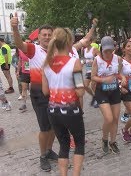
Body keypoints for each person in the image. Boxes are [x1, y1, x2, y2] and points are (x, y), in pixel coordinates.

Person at [11, 12, 94, 171]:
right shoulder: (34, 49)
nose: (47, 37)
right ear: (39, 37)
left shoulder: (52, 58)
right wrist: (15, 28)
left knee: (55, 130)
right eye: (44, 35)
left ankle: (49, 151)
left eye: (50, 34)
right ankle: (43, 155)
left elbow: (80, 44)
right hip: (44, 95)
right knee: (45, 128)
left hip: (52, 99)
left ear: (55, 38)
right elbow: (19, 44)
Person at [42, 27, 85, 176]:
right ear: (69, 42)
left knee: (63, 145)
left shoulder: (46, 64)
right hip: (71, 111)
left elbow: (45, 91)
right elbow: (80, 91)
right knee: (79, 144)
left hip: (53, 112)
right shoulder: (75, 62)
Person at [91, 36, 126, 154]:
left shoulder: (118, 59)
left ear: (114, 48)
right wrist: (103, 80)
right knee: (109, 118)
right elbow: (93, 77)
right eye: (105, 50)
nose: (108, 52)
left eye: (110, 50)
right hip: (102, 91)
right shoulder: (97, 60)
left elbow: (119, 74)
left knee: (115, 119)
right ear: (101, 49)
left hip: (114, 91)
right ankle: (104, 139)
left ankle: (113, 141)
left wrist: (123, 78)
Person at [82, 38, 99, 108]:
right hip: (88, 70)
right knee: (85, 86)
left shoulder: (94, 49)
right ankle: (94, 96)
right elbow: (85, 59)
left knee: (93, 86)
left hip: (94, 71)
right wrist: (83, 62)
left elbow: (100, 58)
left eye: (86, 41)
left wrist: (93, 61)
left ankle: (98, 100)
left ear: (90, 42)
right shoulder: (84, 50)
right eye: (84, 42)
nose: (85, 43)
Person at [16, 39, 32, 112]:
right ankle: (24, 104)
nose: (28, 44)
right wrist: (18, 71)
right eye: (26, 42)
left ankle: (37, 103)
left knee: (33, 89)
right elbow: (20, 61)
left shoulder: (34, 51)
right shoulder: (21, 51)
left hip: (33, 72)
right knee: (24, 88)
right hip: (24, 72)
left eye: (29, 42)